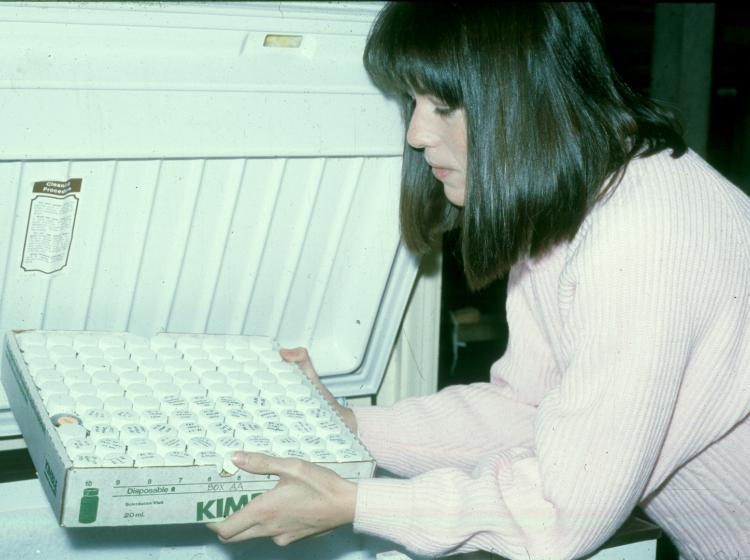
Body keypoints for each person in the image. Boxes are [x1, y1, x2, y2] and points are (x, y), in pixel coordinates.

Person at [208, 3, 750, 559]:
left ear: (525, 100)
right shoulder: (577, 202)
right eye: (412, 102)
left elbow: (562, 513)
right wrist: (349, 425)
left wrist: (358, 503)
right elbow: (526, 410)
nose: (417, 133)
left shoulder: (643, 233)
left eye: (443, 104)